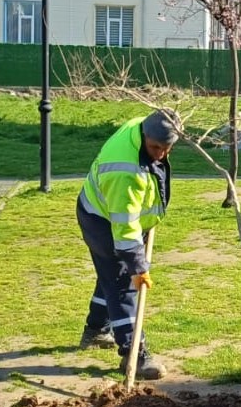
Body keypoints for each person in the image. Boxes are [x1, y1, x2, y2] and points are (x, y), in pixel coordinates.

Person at [76, 109, 178, 379]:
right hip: (103, 221)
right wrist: (138, 266)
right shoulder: (125, 171)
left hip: (114, 215)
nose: (161, 154)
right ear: (144, 135)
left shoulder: (144, 126)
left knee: (110, 276)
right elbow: (124, 228)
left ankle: (96, 329)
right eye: (156, 147)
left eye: (167, 148)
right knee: (123, 283)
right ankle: (134, 353)